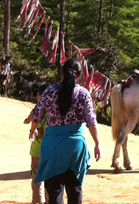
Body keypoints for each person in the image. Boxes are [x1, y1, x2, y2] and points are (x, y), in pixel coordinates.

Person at [31, 58, 101, 204]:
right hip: (76, 147)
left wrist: (32, 130)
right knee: (75, 189)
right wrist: (97, 143)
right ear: (80, 76)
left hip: (53, 147)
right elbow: (91, 121)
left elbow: (37, 115)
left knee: (55, 191)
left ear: (61, 72)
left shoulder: (50, 91)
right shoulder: (83, 93)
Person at [25, 84, 50, 204]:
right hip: (51, 148)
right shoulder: (54, 110)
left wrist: (28, 123)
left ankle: (38, 201)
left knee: (37, 177)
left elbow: (31, 118)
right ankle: (49, 199)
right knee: (50, 176)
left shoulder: (36, 109)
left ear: (39, 95)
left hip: (37, 149)